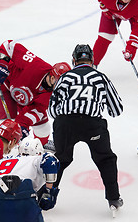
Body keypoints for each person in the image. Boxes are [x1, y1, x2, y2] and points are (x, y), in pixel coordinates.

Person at [48, 44, 124, 211]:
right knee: (106, 159)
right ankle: (113, 198)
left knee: (60, 159)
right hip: (93, 125)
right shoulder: (101, 77)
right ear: (92, 60)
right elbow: (117, 110)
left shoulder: (65, 77)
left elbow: (52, 110)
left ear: (74, 60)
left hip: (65, 124)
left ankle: (47, 195)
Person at [0, 40, 71, 146]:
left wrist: (23, 125)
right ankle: (3, 149)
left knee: (43, 128)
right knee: (6, 124)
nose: (60, 85)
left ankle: (39, 148)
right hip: (4, 84)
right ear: (51, 75)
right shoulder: (35, 65)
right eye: (58, 81)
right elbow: (8, 45)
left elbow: (37, 111)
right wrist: (3, 64)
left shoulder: (56, 95)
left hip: (27, 103)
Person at [0, 138, 60, 222]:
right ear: (38, 152)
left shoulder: (2, 160)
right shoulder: (35, 159)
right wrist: (48, 191)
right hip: (22, 192)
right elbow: (50, 161)